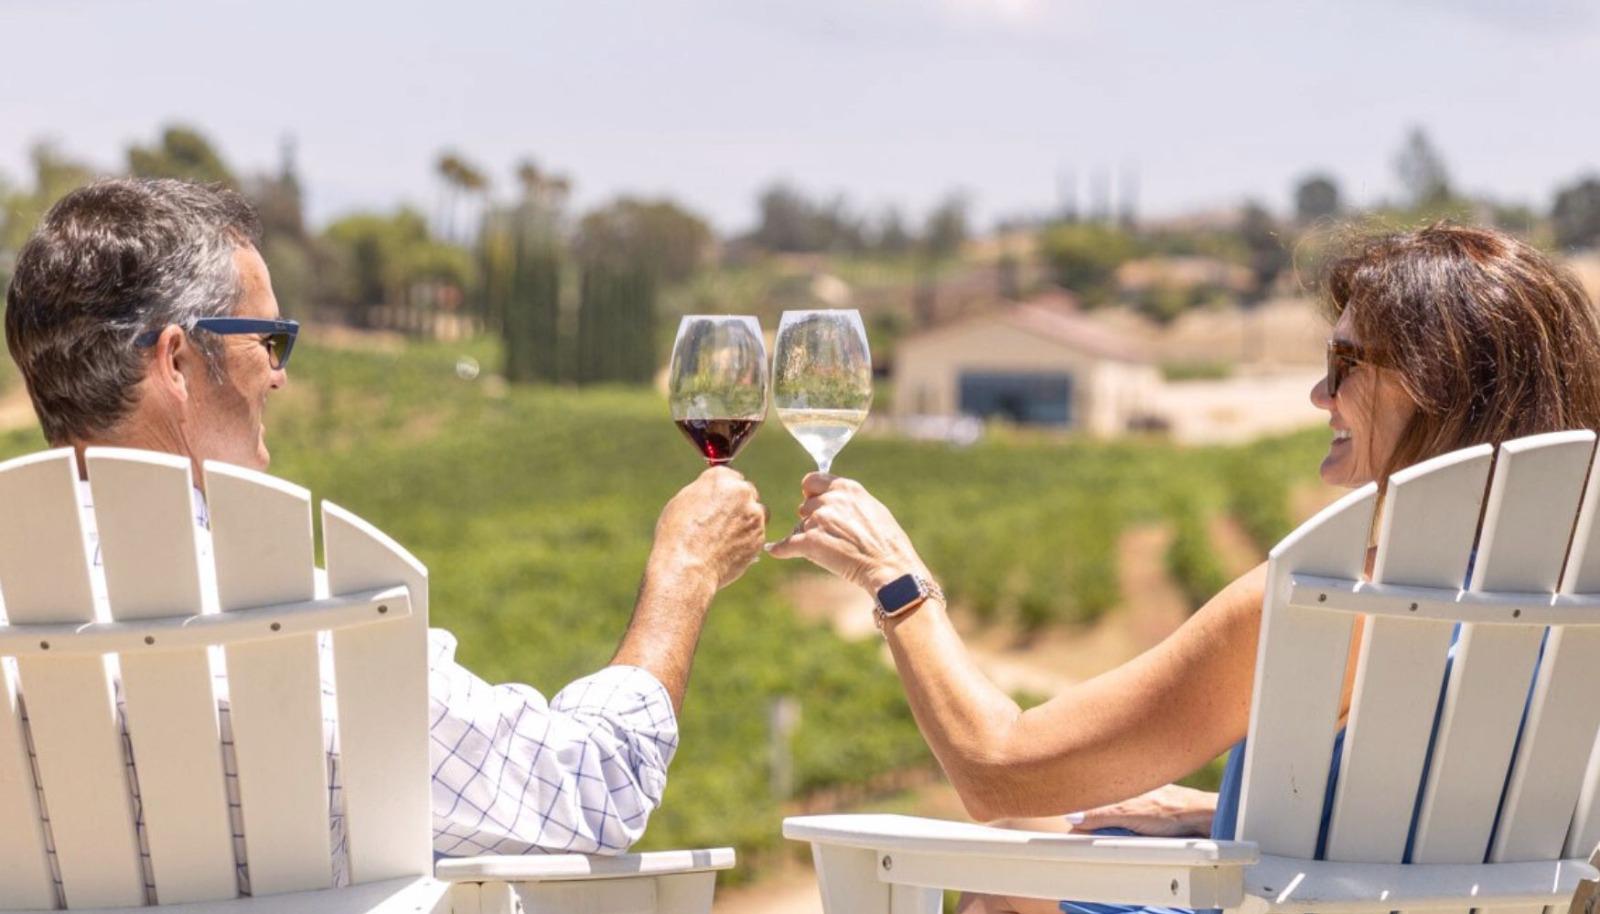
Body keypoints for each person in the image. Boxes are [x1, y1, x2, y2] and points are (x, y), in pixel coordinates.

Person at [768, 222, 1600, 914]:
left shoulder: (1334, 597)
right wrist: (1215, 814)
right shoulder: (1571, 591)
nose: (1319, 393)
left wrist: (899, 584)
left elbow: (1000, 768)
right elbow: (1443, 830)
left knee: (1001, 873)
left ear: (1433, 387)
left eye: (1346, 363)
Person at [3, 178, 768, 899]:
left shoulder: (17, 618)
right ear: (176, 361)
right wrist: (684, 573)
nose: (279, 375)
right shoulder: (293, 626)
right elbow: (594, 790)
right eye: (268, 339)